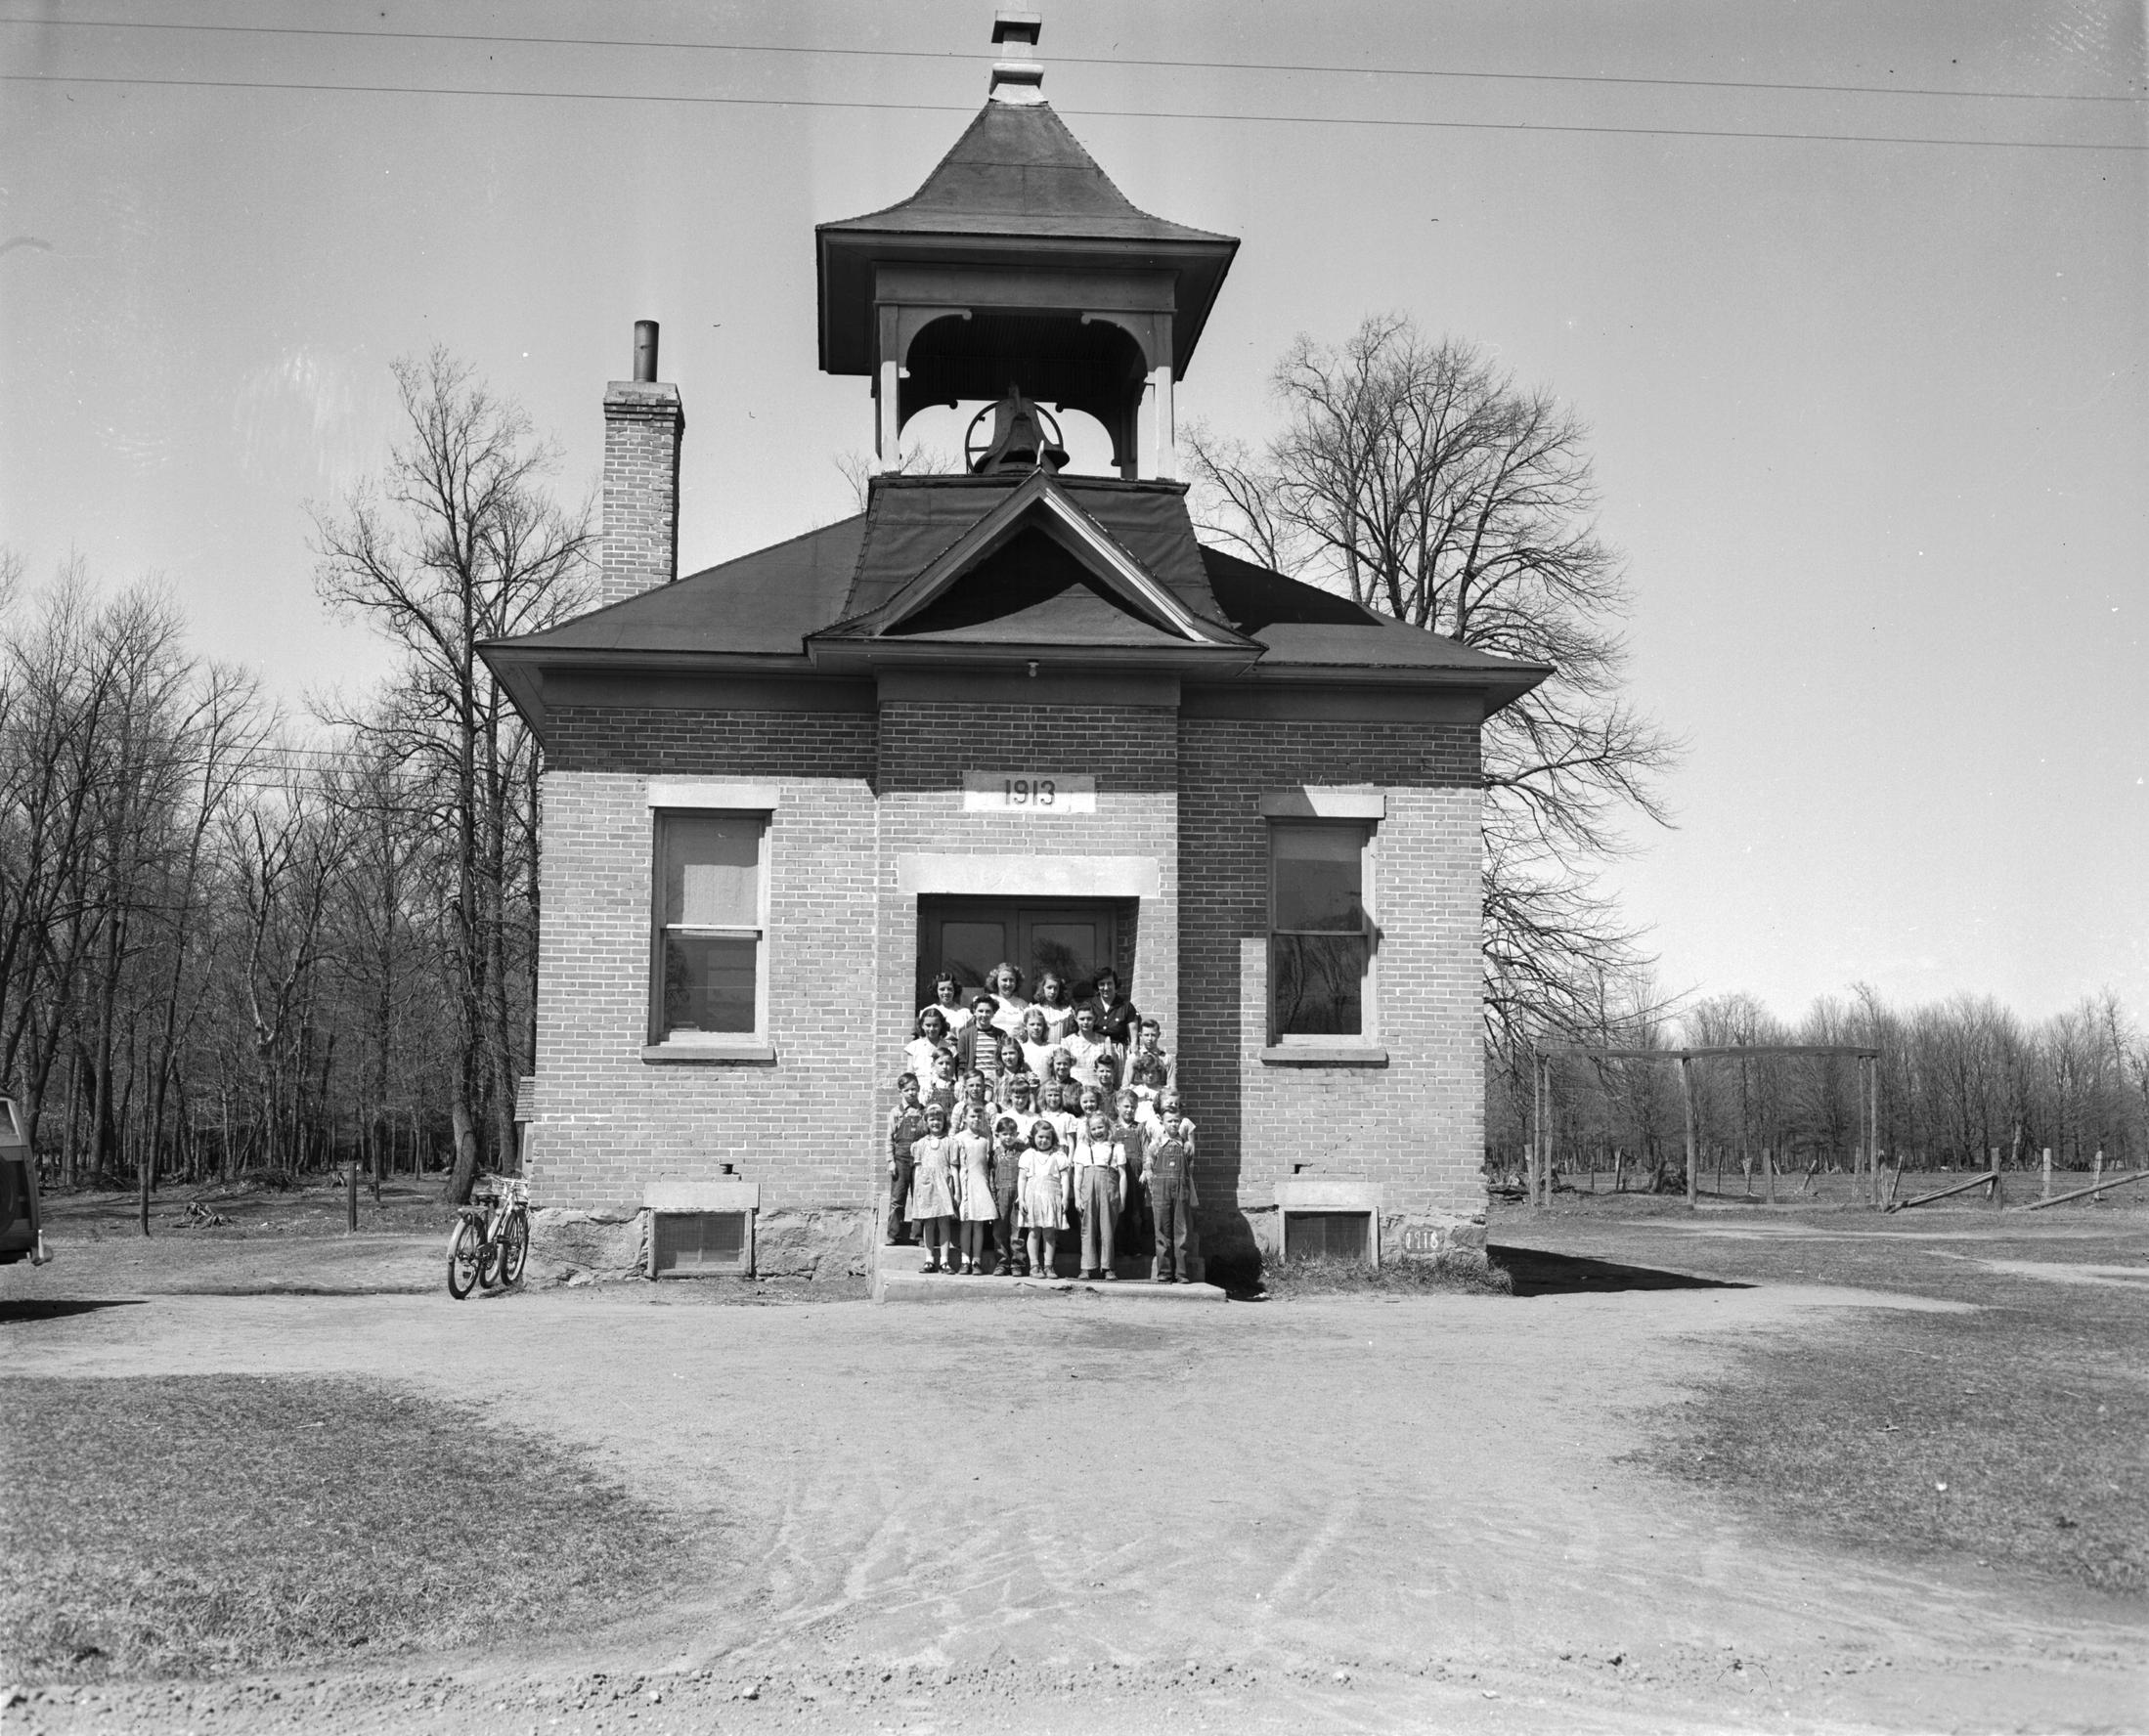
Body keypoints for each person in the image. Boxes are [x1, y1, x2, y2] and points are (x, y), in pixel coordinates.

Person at [1144, 1100, 1198, 1283]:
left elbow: (1190, 1168)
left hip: (1181, 1189)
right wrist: (1153, 1189)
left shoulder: (1186, 1146)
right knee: (1162, 1230)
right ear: (1162, 1122)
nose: (1174, 1124)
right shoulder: (1155, 1145)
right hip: (1161, 1191)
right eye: (1170, 1121)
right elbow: (1149, 1168)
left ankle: (1181, 1273)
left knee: (1181, 1230)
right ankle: (1164, 1272)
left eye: (1177, 1121)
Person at [1072, 1108, 1124, 1280]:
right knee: (1088, 1228)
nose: (1097, 1131)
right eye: (1093, 1129)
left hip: (1109, 1189)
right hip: (1088, 1189)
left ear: (1108, 1127)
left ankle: (1108, 1267)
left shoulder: (1117, 1147)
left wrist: (1122, 1199)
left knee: (1107, 1229)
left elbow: (1123, 1175)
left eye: (1100, 1127)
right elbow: (1078, 1174)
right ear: (1089, 1131)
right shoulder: (1083, 1148)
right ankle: (1086, 1267)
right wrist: (1077, 1197)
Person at [906, 1103, 959, 1273]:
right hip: (926, 1187)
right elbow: (917, 1169)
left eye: (939, 1119)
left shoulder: (950, 1142)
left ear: (944, 1121)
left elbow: (954, 1168)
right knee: (928, 1223)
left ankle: (944, 1260)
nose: (935, 1122)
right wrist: (917, 1191)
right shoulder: (920, 1144)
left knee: (944, 1223)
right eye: (932, 1119)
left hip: (944, 1185)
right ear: (926, 1121)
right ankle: (929, 1259)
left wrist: (957, 1191)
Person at [1018, 1119, 1071, 1280]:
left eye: (1047, 1137)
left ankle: (1048, 1265)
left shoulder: (1058, 1155)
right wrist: (1021, 1199)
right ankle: (1034, 1265)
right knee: (1033, 1231)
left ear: (1052, 1138)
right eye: (1040, 1137)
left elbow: (1065, 1178)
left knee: (1049, 1232)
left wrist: (1065, 1198)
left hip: (1051, 1195)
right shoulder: (1028, 1155)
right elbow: (1022, 1179)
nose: (1044, 1140)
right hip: (1033, 1195)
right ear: (1033, 1137)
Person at [952, 1104, 996, 1276]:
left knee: (978, 1224)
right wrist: (957, 1190)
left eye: (979, 1116)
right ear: (964, 1118)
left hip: (980, 1184)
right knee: (966, 1224)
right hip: (965, 1183)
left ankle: (976, 1260)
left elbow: (987, 1164)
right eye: (972, 1116)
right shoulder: (958, 1138)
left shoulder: (986, 1138)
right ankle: (965, 1260)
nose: (976, 1119)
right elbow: (955, 1165)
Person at [885, 1072, 927, 1245]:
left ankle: (918, 1235)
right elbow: (889, 1139)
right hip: (900, 1160)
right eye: (907, 1090)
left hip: (920, 1161)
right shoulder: (896, 1112)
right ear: (900, 1091)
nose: (911, 1093)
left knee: (920, 1197)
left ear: (919, 1089)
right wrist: (890, 1161)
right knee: (897, 1199)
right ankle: (893, 1234)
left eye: (914, 1089)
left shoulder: (924, 1112)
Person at [1110, 1087, 1150, 1260]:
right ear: (1117, 1106)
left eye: (1133, 1107)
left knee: (1135, 1211)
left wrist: (1146, 1170)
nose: (1129, 1110)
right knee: (1118, 1209)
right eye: (1126, 1106)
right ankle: (1118, 1247)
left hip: (1136, 1173)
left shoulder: (1139, 1128)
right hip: (1117, 1173)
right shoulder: (1112, 1127)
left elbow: (1146, 1150)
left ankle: (1134, 1247)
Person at [991, 1113, 1028, 1277]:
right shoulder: (994, 1154)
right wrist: (993, 1197)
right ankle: (1002, 1262)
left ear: (1017, 1134)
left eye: (1012, 1134)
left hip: (1018, 1196)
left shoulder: (1023, 1152)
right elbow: (991, 1176)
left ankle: (1017, 1263)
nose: (1008, 1137)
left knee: (1017, 1231)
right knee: (999, 1231)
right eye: (1004, 1134)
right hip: (1000, 1195)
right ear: (997, 1135)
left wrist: (1024, 1195)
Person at [1078, 967, 1140, 1054]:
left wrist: (1134, 1054)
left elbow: (1133, 1038)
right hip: (1093, 1050)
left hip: (1118, 1051)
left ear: (1115, 984)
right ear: (1097, 986)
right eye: (1102, 984)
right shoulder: (1090, 1005)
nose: (1106, 988)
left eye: (1109, 983)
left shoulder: (1126, 1006)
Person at [1061, 1005, 1115, 1094]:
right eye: (1082, 1019)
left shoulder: (1104, 1041)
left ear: (1095, 1019)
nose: (1085, 1022)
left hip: (1098, 1088)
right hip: (1075, 1088)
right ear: (1076, 1019)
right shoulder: (1067, 1042)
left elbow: (1110, 1068)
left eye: (1089, 1019)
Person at [1126, 1017, 1173, 1108]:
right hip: (1138, 1103)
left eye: (1153, 1035)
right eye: (1146, 1035)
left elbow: (1172, 1087)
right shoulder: (1133, 1058)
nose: (1150, 1039)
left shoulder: (1166, 1058)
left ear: (1159, 1035)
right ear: (1140, 1035)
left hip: (1160, 1102)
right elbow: (1126, 1086)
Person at [905, 1008, 954, 1086]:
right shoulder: (914, 1046)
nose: (931, 1029)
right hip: (920, 1087)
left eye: (935, 1025)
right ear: (922, 1025)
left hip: (942, 1088)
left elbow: (952, 1074)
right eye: (928, 1025)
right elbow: (910, 1072)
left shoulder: (950, 1048)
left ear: (941, 1025)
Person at [920, 972, 972, 1045]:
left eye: (949, 989)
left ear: (955, 989)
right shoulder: (927, 1011)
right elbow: (922, 1040)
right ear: (936, 990)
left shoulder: (965, 1013)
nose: (946, 992)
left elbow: (970, 1039)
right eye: (942, 989)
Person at [962, 993, 1003, 1080]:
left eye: (988, 1011)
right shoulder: (965, 1035)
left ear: (993, 1013)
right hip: (975, 1082)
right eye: (980, 1011)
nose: (984, 1015)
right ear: (974, 1011)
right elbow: (962, 1063)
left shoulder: (1001, 1034)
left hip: (996, 1080)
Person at [1018, 1006, 1061, 1083]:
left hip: (1048, 1088)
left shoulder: (1052, 1048)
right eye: (1032, 1024)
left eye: (1039, 1024)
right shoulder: (1020, 1048)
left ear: (1044, 1026)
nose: (1036, 1027)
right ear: (1025, 1026)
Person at [991, 1032, 1034, 1107]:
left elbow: (1032, 1103)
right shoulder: (995, 1075)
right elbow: (988, 1101)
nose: (1008, 1057)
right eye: (1005, 1054)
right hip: (999, 1113)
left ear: (1019, 1054)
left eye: (1011, 1053)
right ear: (1000, 1056)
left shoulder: (1027, 1076)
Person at [986, 963, 1030, 1036]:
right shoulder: (988, 1001)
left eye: (1011, 980)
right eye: (1004, 980)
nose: (1008, 984)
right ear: (996, 981)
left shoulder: (1023, 1005)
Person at [1033, 973, 1076, 1044]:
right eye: (1049, 987)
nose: (1052, 992)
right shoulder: (1035, 1010)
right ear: (1042, 988)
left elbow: (1072, 1036)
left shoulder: (1066, 1011)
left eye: (1055, 988)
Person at [925, 1050, 960, 1122]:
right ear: (933, 1065)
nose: (944, 1067)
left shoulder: (957, 1086)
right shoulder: (928, 1087)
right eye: (940, 1063)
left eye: (948, 1063)